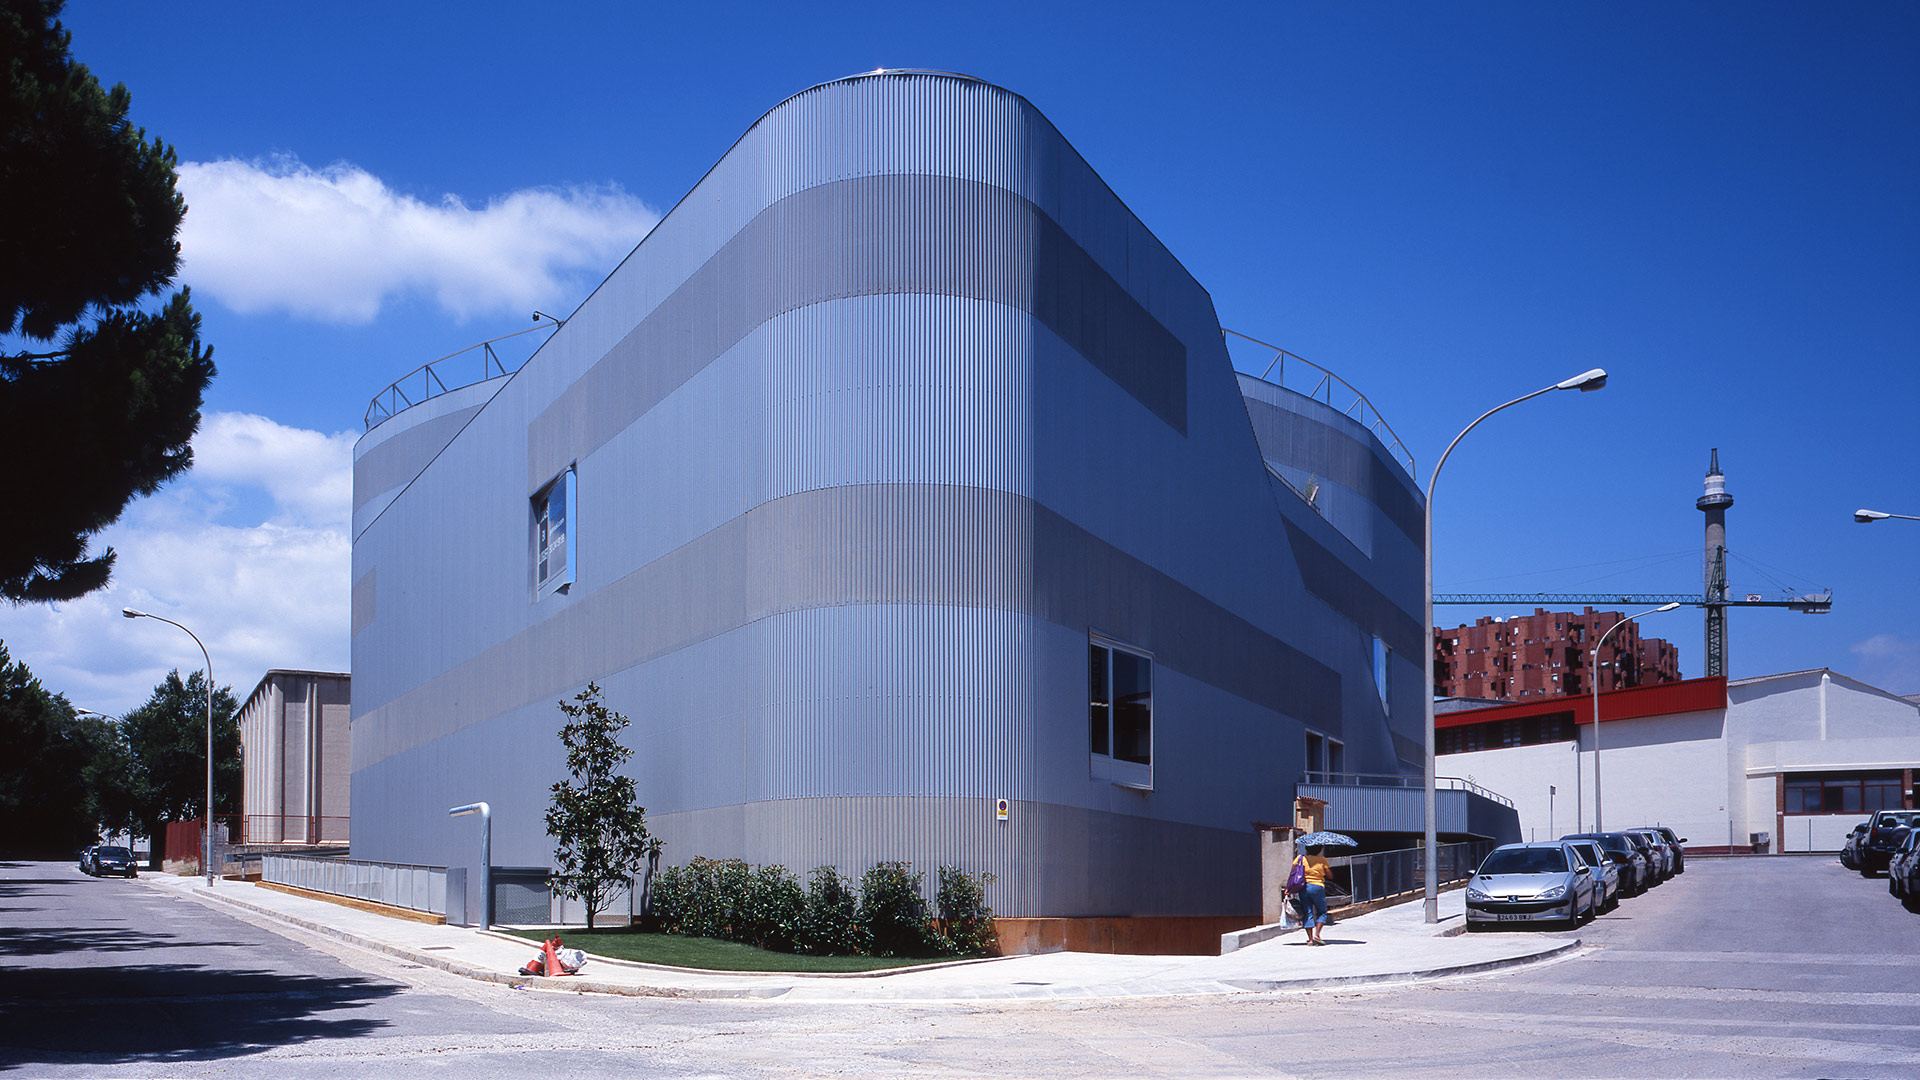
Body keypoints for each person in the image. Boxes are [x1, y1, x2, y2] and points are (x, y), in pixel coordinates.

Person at [1299, 845, 1332, 945]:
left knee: (1307, 911)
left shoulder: (1300, 858)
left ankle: (1310, 940)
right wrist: (1326, 870)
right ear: (1319, 850)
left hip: (1303, 887)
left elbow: (1293, 873)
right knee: (1322, 911)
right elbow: (1330, 876)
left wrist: (1288, 888)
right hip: (1317, 887)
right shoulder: (1322, 860)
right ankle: (1317, 935)